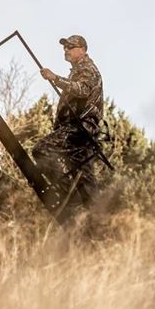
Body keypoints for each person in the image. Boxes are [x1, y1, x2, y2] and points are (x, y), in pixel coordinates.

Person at [32, 34, 104, 205]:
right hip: (79, 129)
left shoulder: (88, 69)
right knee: (84, 176)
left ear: (83, 50)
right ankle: (95, 214)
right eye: (65, 47)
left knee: (42, 150)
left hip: (81, 129)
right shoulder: (78, 71)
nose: (66, 50)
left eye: (70, 47)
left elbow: (82, 90)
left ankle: (69, 196)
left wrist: (55, 78)